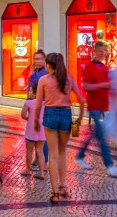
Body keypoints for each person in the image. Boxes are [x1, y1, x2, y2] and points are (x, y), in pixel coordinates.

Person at [34, 52, 86, 203]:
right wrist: (80, 119)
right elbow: (82, 100)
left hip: (50, 114)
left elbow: (38, 104)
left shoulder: (44, 80)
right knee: (62, 152)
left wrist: (36, 119)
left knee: (53, 154)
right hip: (66, 115)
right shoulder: (69, 78)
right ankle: (63, 186)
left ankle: (55, 193)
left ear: (49, 65)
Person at [75, 41, 117, 177]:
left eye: (104, 51)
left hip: (105, 106)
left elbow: (109, 85)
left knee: (97, 133)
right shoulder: (89, 67)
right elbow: (86, 87)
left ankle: (79, 155)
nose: (102, 53)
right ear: (94, 51)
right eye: (100, 51)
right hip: (94, 106)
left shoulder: (104, 67)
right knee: (102, 136)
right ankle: (109, 165)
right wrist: (104, 85)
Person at [20, 83, 46, 179]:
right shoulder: (45, 103)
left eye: (30, 90)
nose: (28, 92)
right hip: (42, 131)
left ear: (35, 94)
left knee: (29, 150)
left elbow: (23, 114)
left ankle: (28, 169)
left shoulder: (28, 102)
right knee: (40, 151)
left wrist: (28, 118)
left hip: (31, 130)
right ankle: (41, 172)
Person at [29, 50, 49, 172]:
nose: (37, 61)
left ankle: (44, 162)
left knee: (42, 137)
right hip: (34, 106)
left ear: (45, 60)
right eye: (35, 59)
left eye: (40, 59)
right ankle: (38, 160)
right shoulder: (36, 72)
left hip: (41, 107)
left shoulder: (43, 74)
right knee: (38, 135)